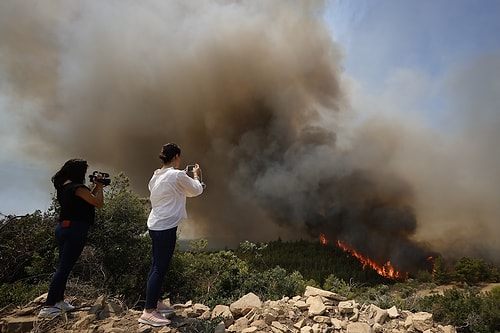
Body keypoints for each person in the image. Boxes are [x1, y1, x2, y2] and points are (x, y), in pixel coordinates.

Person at [138, 143, 204, 327]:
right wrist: (195, 175)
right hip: (166, 227)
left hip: (155, 225)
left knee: (156, 265)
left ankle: (155, 301)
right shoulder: (176, 175)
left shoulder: (156, 176)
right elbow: (196, 190)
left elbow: (178, 190)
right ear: (176, 156)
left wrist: (182, 176)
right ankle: (149, 311)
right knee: (160, 268)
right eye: (179, 156)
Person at [38, 159, 105, 318]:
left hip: (63, 228)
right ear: (79, 173)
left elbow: (87, 199)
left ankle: (59, 301)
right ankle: (48, 306)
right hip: (76, 229)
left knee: (63, 265)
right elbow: (98, 203)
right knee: (64, 268)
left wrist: (96, 186)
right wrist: (101, 187)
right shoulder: (78, 188)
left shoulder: (64, 187)